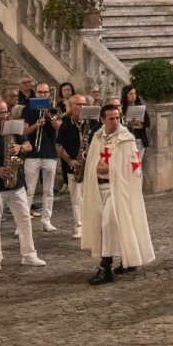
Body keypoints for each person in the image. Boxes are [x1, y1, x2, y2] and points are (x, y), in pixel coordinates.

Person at [81, 105, 155, 284]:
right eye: (111, 119)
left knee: (109, 223)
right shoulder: (97, 137)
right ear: (102, 120)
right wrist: (95, 169)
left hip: (118, 188)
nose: (115, 122)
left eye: (117, 118)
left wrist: (110, 168)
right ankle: (128, 258)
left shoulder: (126, 139)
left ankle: (105, 267)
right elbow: (91, 161)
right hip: (99, 187)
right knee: (112, 224)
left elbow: (134, 167)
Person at [0, 99, 45, 272]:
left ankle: (29, 255)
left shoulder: (13, 127)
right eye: (0, 113)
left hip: (16, 183)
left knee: (24, 219)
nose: (4, 116)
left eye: (6, 112)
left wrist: (20, 148)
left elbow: (28, 145)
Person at [56, 94, 99, 240]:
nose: (81, 107)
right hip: (74, 165)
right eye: (78, 104)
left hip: (91, 164)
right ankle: (79, 226)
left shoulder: (93, 122)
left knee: (92, 197)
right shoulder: (65, 124)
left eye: (83, 104)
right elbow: (59, 146)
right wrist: (69, 160)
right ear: (71, 106)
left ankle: (92, 225)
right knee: (77, 199)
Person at [22, 83, 62, 231]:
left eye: (45, 92)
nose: (43, 95)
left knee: (49, 190)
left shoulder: (53, 108)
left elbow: (59, 128)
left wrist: (49, 114)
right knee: (29, 189)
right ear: (35, 93)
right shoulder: (27, 108)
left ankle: (46, 220)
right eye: (40, 92)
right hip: (32, 153)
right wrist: (36, 125)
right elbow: (24, 131)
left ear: (49, 94)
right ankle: (23, 222)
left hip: (49, 153)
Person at [121, 86, 151, 157]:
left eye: (134, 93)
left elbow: (147, 122)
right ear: (125, 95)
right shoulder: (123, 109)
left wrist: (138, 126)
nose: (133, 96)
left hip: (139, 136)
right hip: (127, 138)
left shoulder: (140, 107)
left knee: (138, 160)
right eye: (130, 94)